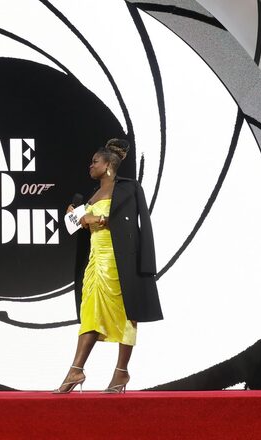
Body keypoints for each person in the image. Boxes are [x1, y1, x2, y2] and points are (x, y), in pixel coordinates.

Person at [54, 139, 163, 394]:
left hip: (121, 260)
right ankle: (76, 369)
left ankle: (121, 373)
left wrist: (97, 217)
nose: (90, 166)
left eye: (95, 162)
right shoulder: (88, 194)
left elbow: (139, 226)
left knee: (126, 313)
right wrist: (74, 216)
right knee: (90, 313)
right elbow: (75, 227)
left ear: (108, 165)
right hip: (95, 261)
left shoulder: (129, 188)